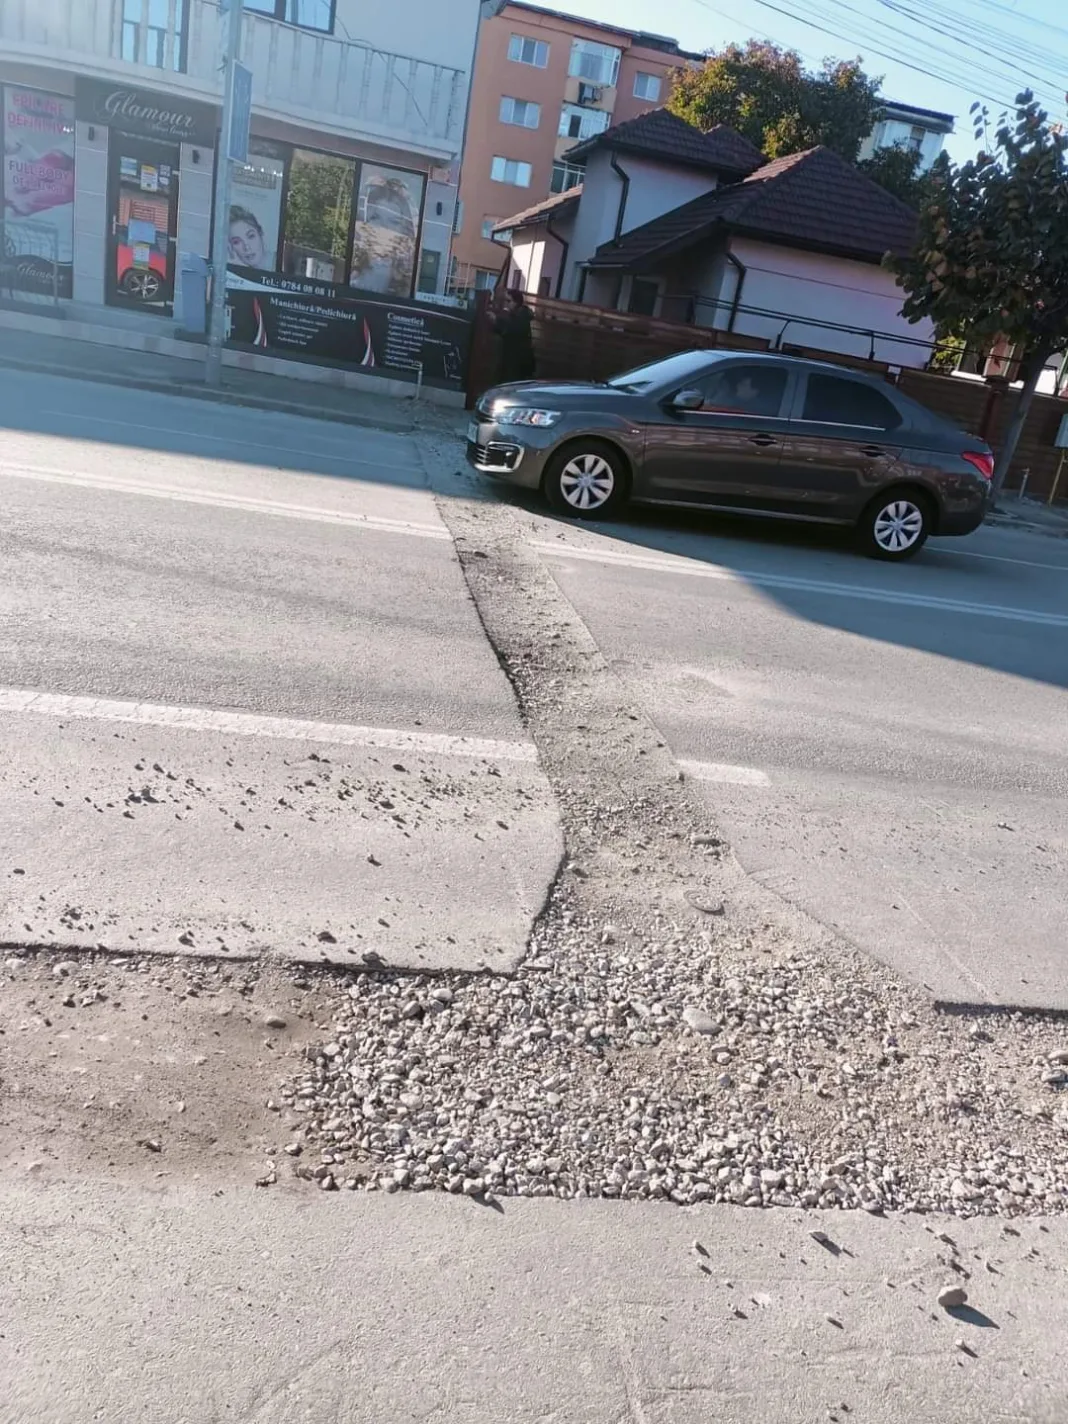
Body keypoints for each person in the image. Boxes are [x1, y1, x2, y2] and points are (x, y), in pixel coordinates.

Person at [492, 288, 535, 384]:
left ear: (516, 302)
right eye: (505, 301)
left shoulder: (521, 316)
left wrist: (496, 320)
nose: (506, 304)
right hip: (514, 362)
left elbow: (510, 330)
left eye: (508, 301)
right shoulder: (518, 315)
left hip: (517, 364)